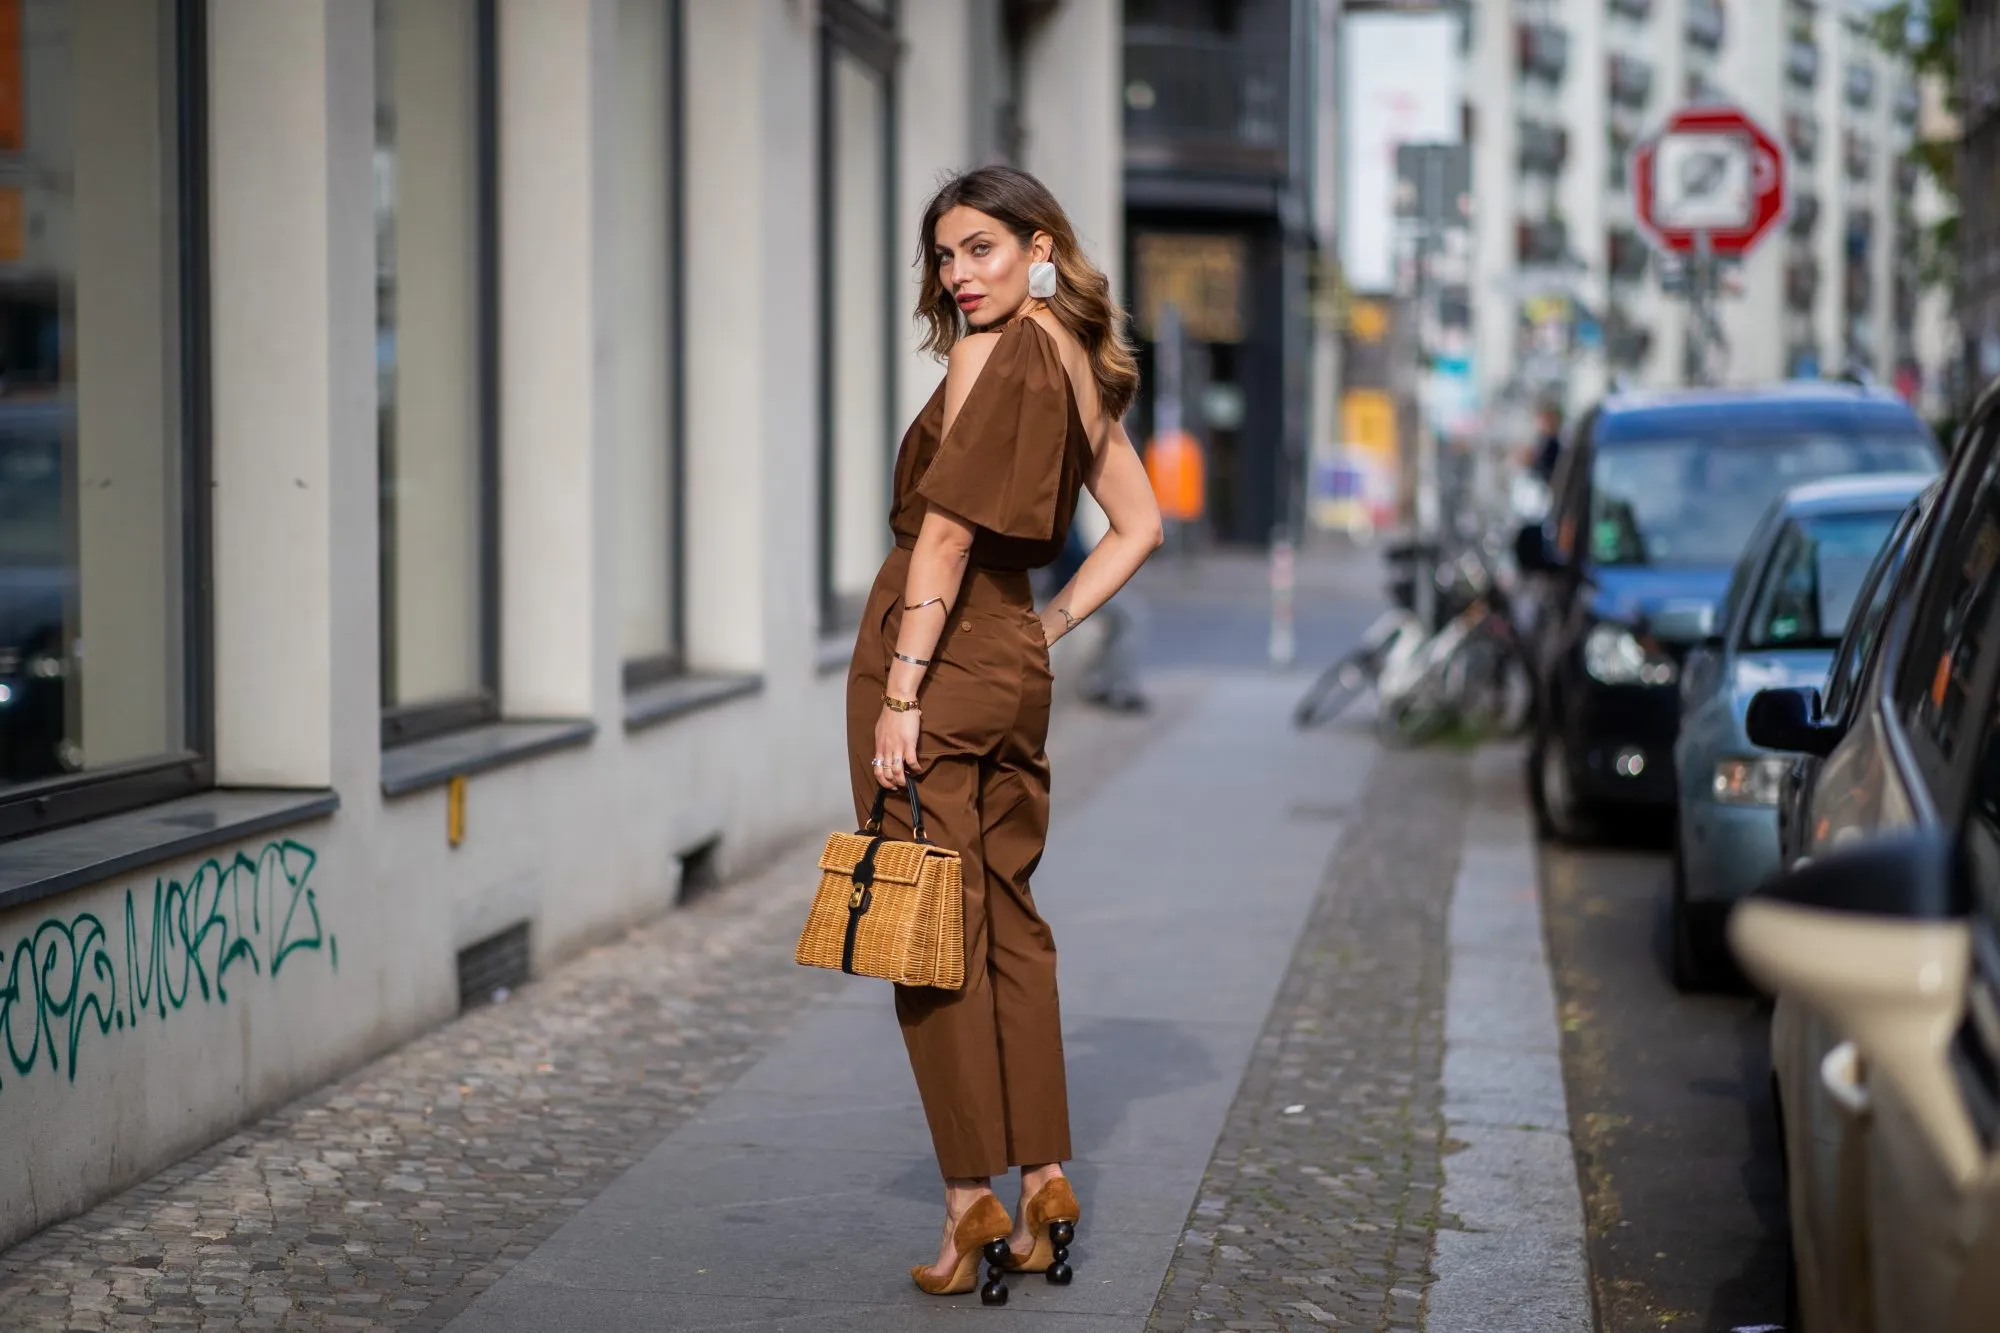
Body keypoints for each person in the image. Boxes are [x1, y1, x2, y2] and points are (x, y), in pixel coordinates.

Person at [845, 164, 1163, 1300]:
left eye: (979, 248)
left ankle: (964, 1202)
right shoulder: (1080, 363)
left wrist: (897, 696)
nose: (956, 275)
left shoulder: (988, 354)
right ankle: (1043, 1182)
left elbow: (936, 545)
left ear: (1038, 245)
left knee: (924, 929)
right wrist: (1047, 629)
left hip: (930, 659)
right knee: (1013, 927)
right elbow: (1139, 525)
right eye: (942, 255)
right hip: (1010, 661)